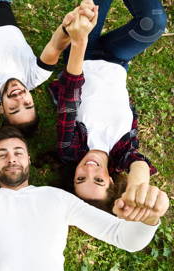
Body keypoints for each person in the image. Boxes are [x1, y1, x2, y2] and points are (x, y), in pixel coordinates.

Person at [0, 125, 169, 271]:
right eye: (2, 154)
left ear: (29, 160)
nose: (11, 158)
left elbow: (125, 238)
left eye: (18, 152)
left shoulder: (57, 198)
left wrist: (148, 217)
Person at [49, 0, 167, 210]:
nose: (89, 170)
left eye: (81, 179)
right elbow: (139, 164)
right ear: (111, 181)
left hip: (83, 53)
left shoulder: (70, 149)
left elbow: (70, 94)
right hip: (117, 59)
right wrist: (137, 188)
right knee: (154, 24)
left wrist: (80, 40)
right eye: (98, 180)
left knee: (90, 9)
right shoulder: (122, 154)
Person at [0, 0, 96, 136]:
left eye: (14, 108)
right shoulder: (35, 76)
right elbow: (55, 47)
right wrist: (66, 27)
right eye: (27, 105)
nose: (20, 98)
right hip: (1, 4)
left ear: (2, 110)